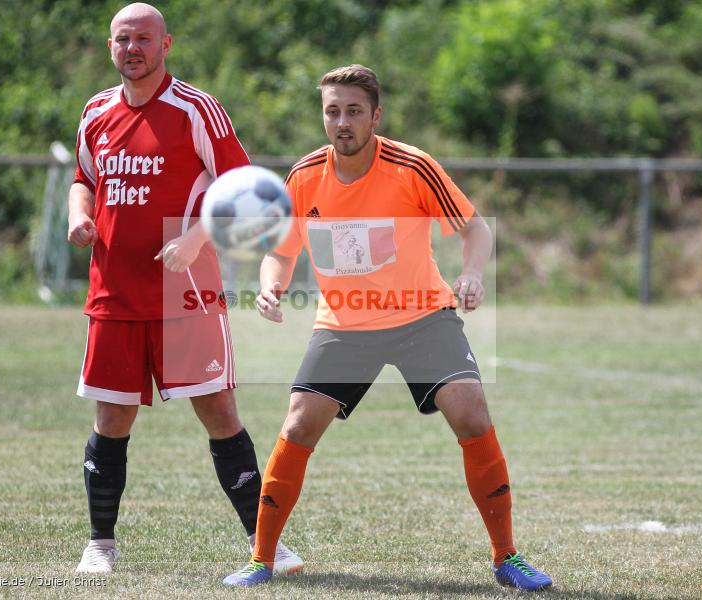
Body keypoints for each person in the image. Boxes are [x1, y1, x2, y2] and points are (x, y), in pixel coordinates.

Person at [223, 65, 552, 591]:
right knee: (298, 425)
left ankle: (506, 556)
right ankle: (262, 559)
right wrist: (270, 286)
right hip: (345, 324)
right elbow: (279, 254)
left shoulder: (412, 167)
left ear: (376, 115)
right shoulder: (305, 175)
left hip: (422, 316)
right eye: (333, 111)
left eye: (353, 111)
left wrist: (470, 274)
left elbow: (475, 230)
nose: (342, 121)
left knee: (471, 413)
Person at [67, 3, 301, 575]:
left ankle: (265, 545)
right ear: (110, 46)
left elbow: (244, 188)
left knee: (219, 412)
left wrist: (197, 238)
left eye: (143, 38)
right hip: (115, 293)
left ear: (165, 44)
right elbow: (84, 179)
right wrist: (79, 216)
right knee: (112, 419)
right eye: (122, 39)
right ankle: (100, 544)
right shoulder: (95, 111)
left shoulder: (195, 109)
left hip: (186, 293)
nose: (132, 48)